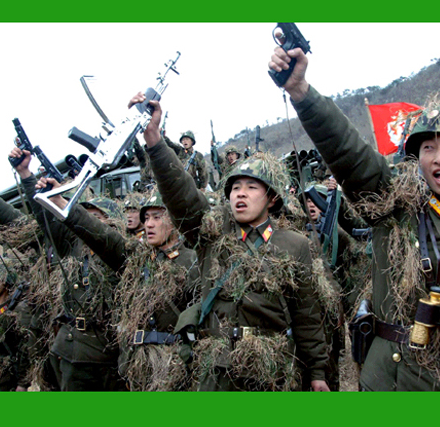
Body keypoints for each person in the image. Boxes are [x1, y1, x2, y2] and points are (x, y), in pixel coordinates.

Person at [269, 42, 440, 391]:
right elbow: (349, 152)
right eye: (428, 148)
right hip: (397, 381)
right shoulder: (393, 208)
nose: (439, 158)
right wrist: (301, 92)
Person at [128, 90, 330, 392]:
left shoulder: (294, 244)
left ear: (272, 198)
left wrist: (316, 372)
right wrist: (155, 143)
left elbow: (307, 316)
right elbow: (181, 193)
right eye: (235, 188)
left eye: (251, 187)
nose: (241, 193)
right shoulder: (212, 233)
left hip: (270, 374)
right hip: (216, 372)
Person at [37, 181, 200, 391]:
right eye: (146, 218)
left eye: (157, 217)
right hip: (137, 370)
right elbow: (100, 235)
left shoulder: (192, 261)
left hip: (174, 370)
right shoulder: (136, 258)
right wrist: (61, 203)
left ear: (176, 220)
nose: (149, 224)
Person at [9, 146, 126, 392]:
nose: (86, 222)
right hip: (67, 350)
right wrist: (26, 175)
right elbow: (45, 217)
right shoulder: (72, 246)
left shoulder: (120, 253)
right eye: (83, 214)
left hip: (103, 356)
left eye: (95, 217)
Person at [0, 262, 31, 391]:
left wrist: (22, 384)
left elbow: (25, 349)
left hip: (2, 381)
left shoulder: (16, 312)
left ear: (4, 283)